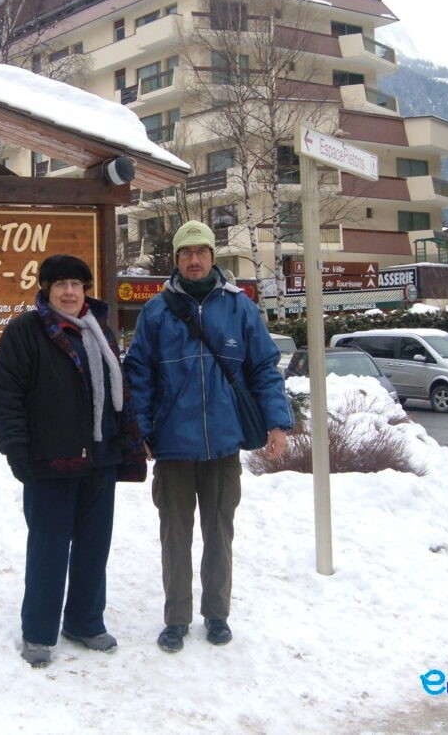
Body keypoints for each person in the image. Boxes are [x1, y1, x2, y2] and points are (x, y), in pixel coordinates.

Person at [123, 220, 293, 654]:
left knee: (220, 532)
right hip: (173, 447)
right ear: (176, 260)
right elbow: (138, 375)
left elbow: (263, 369)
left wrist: (277, 423)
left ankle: (217, 614)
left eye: (201, 252)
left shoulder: (240, 308)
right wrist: (141, 430)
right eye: (186, 253)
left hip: (222, 445)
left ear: (212, 256)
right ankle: (176, 618)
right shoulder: (156, 312)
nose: (194, 260)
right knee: (174, 536)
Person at [0, 254, 147, 668]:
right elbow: (5, 397)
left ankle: (84, 620)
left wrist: (128, 442)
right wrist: (17, 452)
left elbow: (119, 393)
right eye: (60, 284)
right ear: (46, 289)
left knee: (94, 547)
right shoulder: (25, 331)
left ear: (86, 289)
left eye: (77, 284)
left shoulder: (99, 331)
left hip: (100, 459)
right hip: (49, 462)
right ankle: (38, 632)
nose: (70, 292)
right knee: (49, 549)